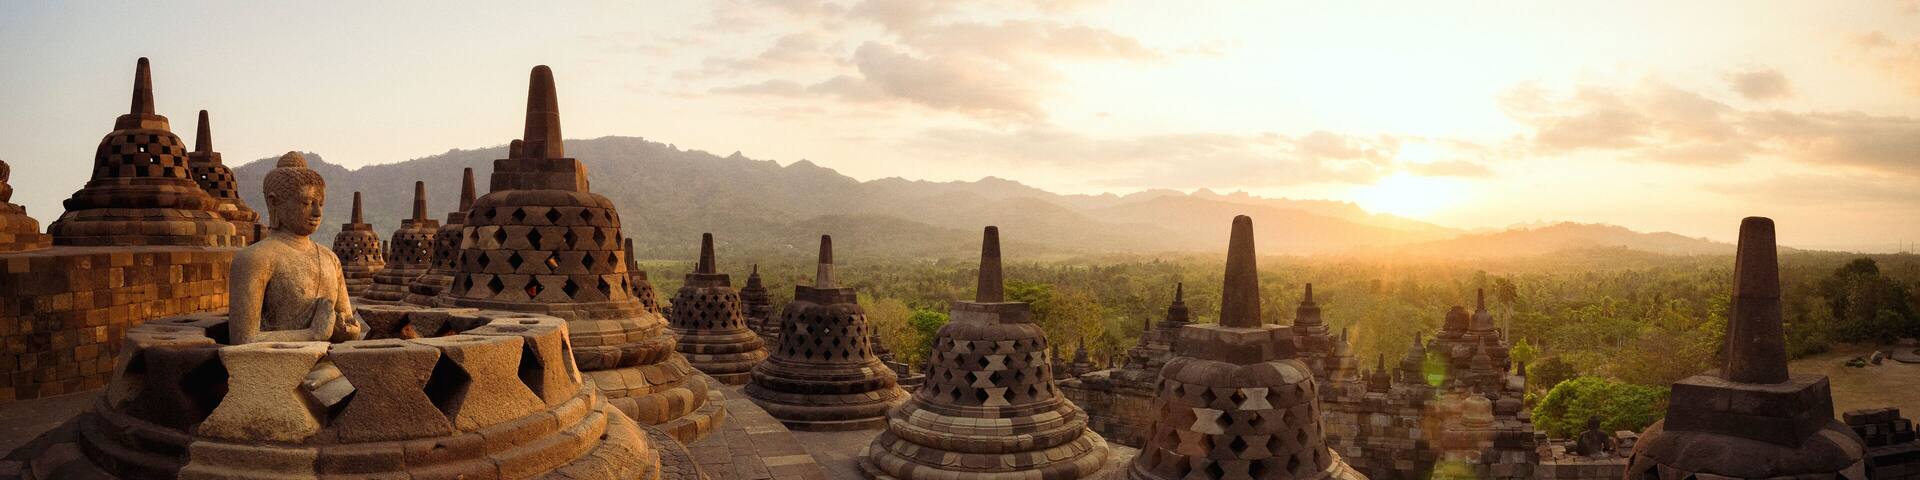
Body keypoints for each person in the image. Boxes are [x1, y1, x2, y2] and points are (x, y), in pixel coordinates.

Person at [227, 152, 362, 345]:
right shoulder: (255, 259)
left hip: (334, 367)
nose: (317, 213)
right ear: (274, 202)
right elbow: (243, 339)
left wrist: (347, 330)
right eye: (306, 203)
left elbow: (348, 322)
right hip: (280, 369)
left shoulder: (330, 259)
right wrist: (312, 334)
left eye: (321, 204)